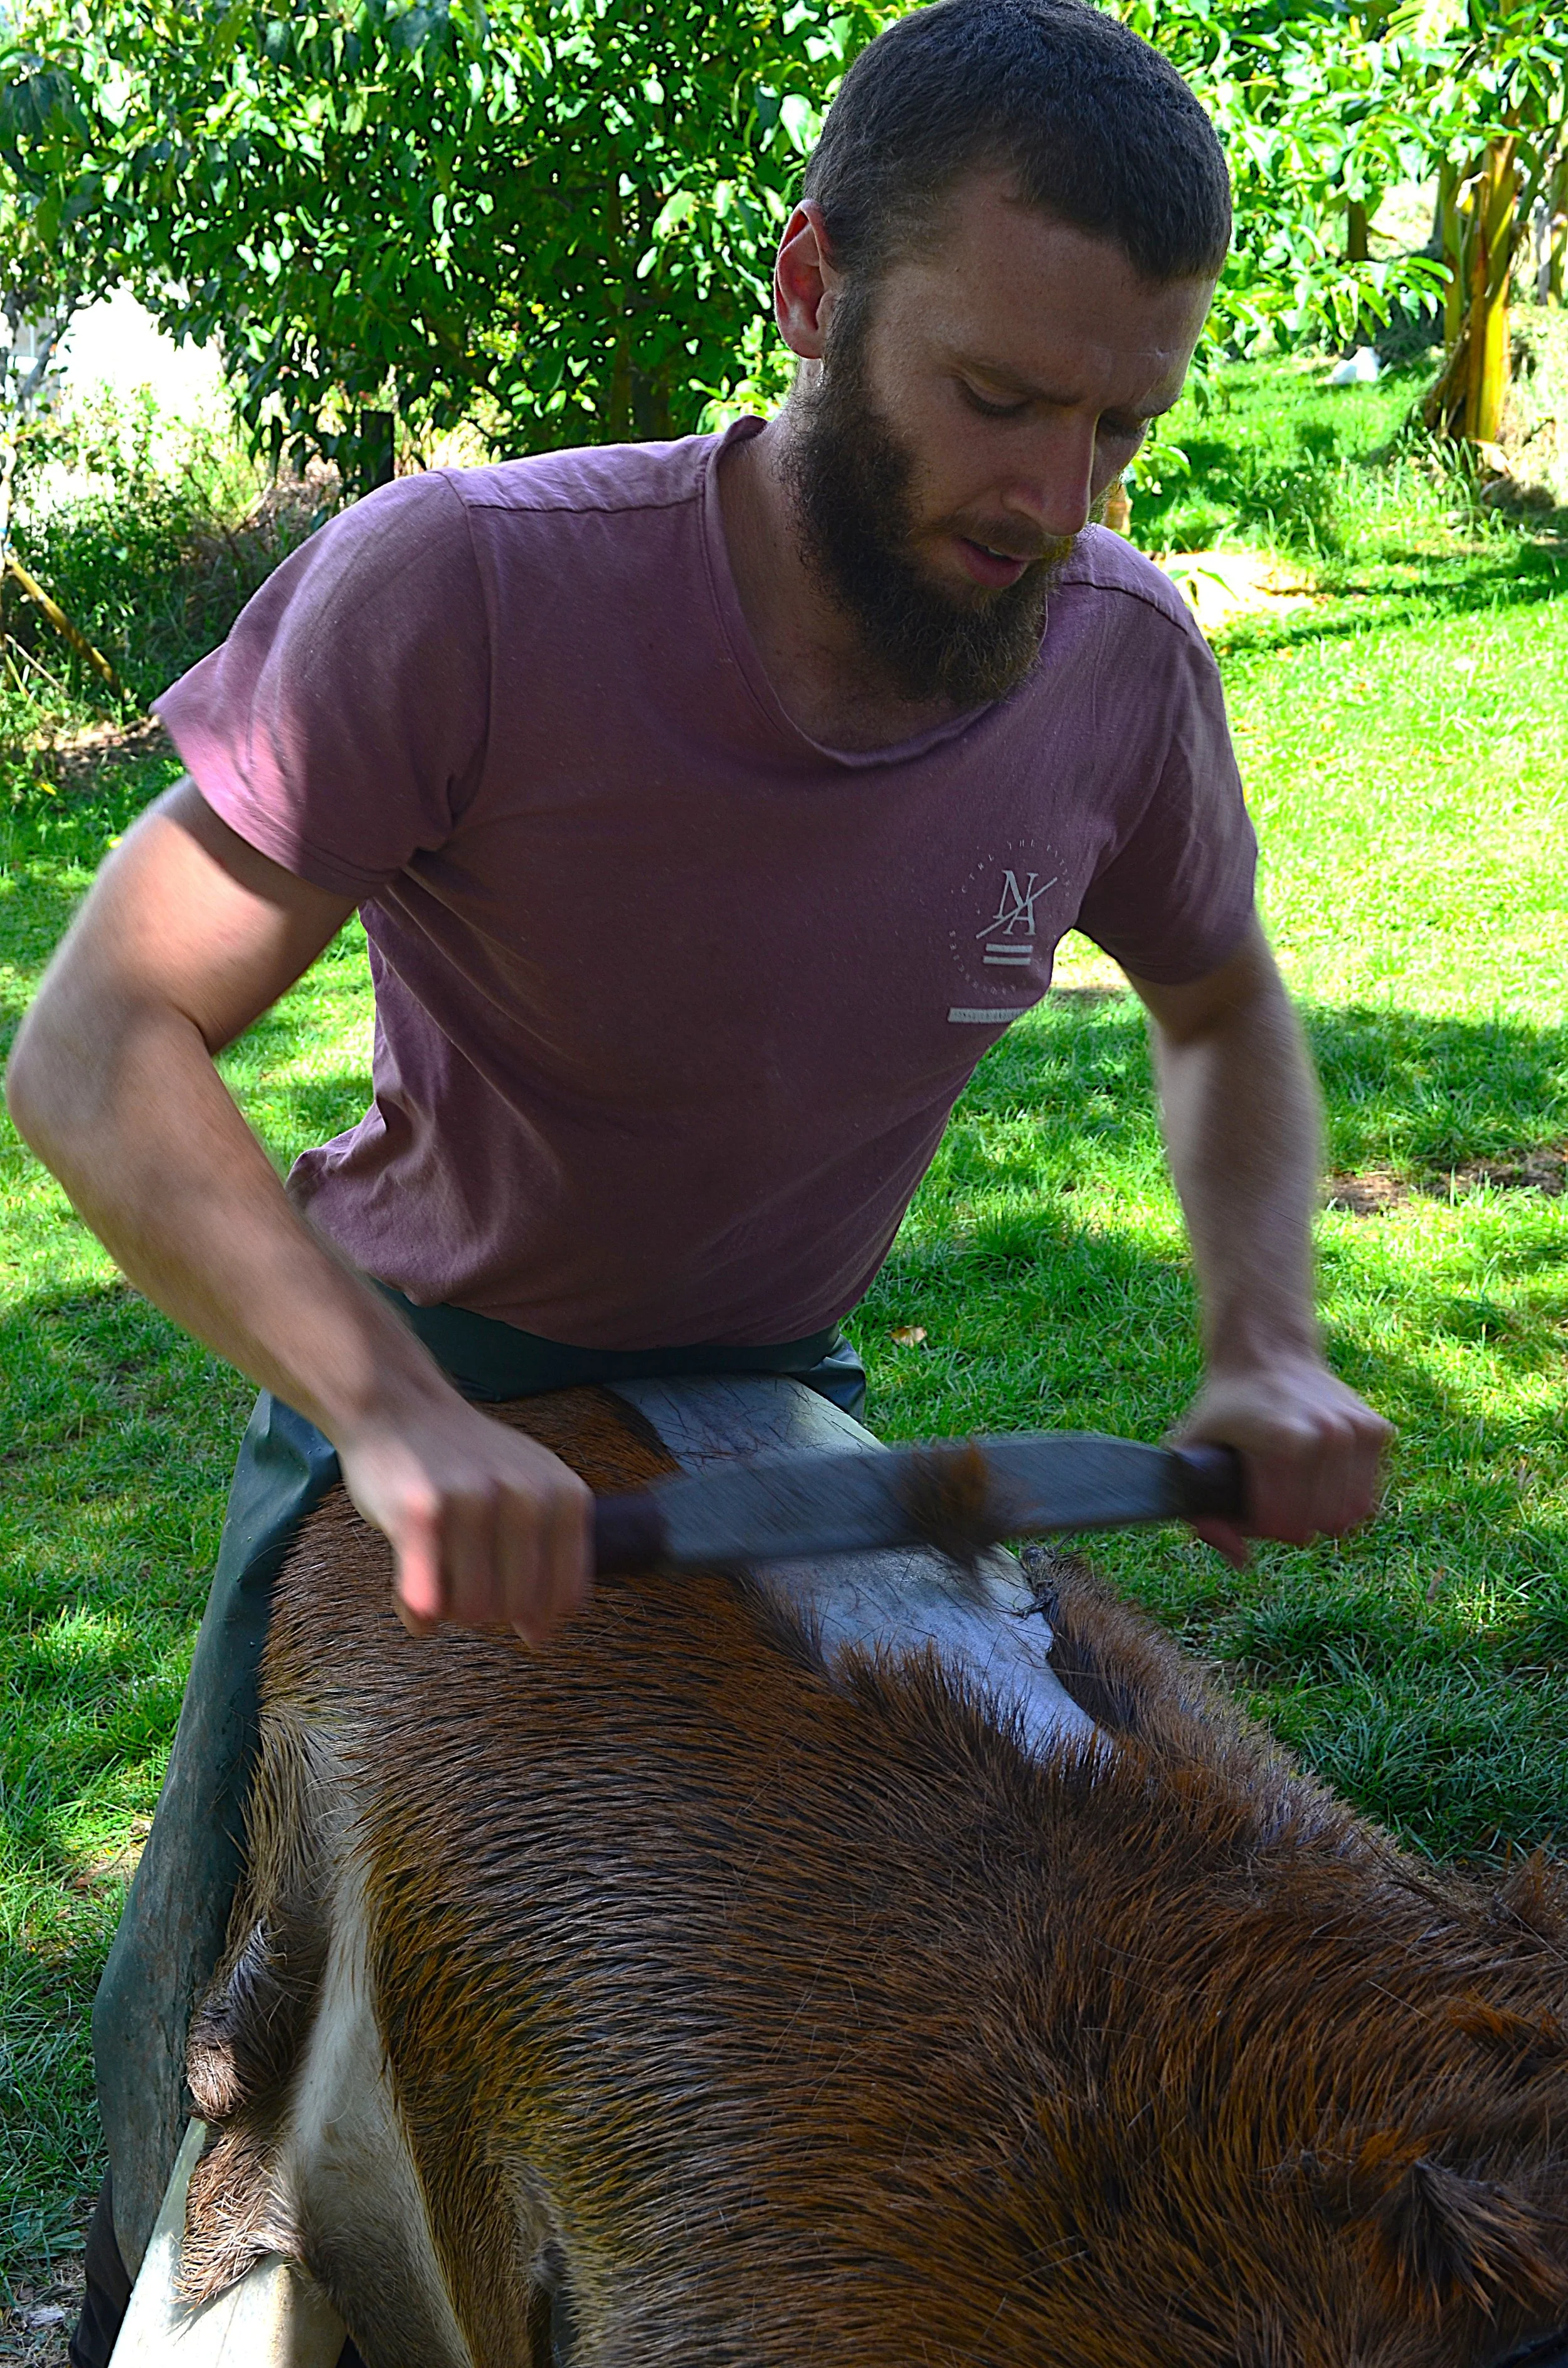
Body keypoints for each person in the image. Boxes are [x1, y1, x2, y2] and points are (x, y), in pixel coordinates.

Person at [6, 0, 1392, 2357]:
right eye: (997, 396)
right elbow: (98, 1044)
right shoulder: (460, 587)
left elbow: (1221, 1000)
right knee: (273, 2069)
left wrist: (1263, 1333)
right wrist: (386, 1411)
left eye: (1120, 424)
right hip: (419, 1367)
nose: (1057, 496)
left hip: (772, 1394)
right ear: (809, 287)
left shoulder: (1116, 667)